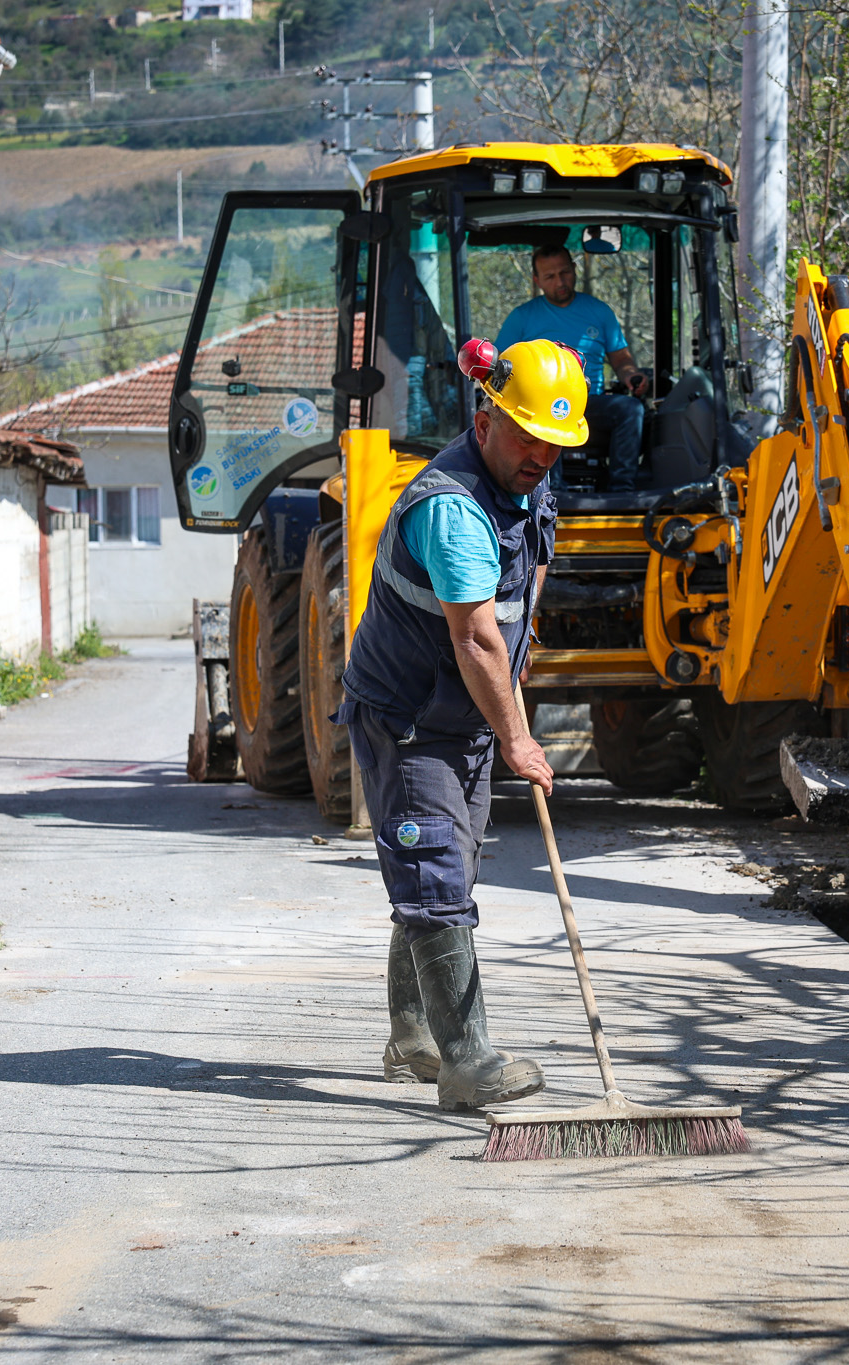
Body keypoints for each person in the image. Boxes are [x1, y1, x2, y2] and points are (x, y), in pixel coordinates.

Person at [334, 338, 587, 1112]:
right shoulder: (451, 508)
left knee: (444, 873)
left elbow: (529, 572)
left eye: (556, 441)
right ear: (486, 419)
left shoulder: (528, 477)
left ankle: (412, 1034)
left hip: (462, 714)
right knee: (437, 873)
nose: (541, 454)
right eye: (527, 436)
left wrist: (518, 663)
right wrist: (518, 736)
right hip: (409, 718)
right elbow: (474, 637)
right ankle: (468, 1061)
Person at [496, 245, 648, 493]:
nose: (560, 281)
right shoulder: (522, 318)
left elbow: (622, 361)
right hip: (542, 405)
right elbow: (500, 368)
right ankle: (550, 492)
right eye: (550, 276)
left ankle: (622, 490)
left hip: (590, 403)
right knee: (540, 414)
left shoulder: (599, 311)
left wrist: (632, 375)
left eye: (565, 272)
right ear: (537, 281)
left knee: (631, 409)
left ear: (575, 270)